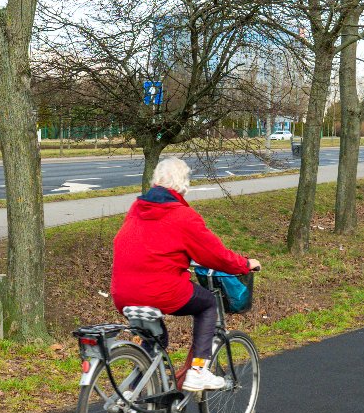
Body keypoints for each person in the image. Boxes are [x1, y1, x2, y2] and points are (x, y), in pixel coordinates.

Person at [110, 156, 261, 393]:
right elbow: (216, 255)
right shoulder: (182, 215)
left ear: (155, 181)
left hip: (123, 291)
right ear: (183, 185)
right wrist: (244, 264)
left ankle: (132, 396)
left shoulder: (137, 207)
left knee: (155, 339)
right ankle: (199, 371)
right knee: (208, 304)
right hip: (160, 290)